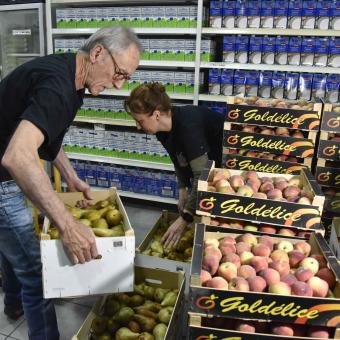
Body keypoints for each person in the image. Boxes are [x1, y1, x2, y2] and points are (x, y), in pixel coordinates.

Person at [0, 26, 141, 339]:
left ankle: (13, 304)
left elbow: (44, 130)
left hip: (4, 170)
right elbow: (18, 156)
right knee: (37, 274)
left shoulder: (72, 78)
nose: (119, 84)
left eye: (126, 78)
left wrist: (69, 175)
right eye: (120, 73)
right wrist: (67, 225)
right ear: (98, 53)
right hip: (2, 176)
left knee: (13, 247)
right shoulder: (59, 88)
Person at [124, 82, 224, 249]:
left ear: (156, 115)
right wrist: (182, 189)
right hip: (207, 165)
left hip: (226, 163)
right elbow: (178, 157)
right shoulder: (162, 131)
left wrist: (185, 218)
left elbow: (203, 175)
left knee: (214, 215)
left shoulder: (187, 127)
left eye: (139, 120)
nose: (137, 126)